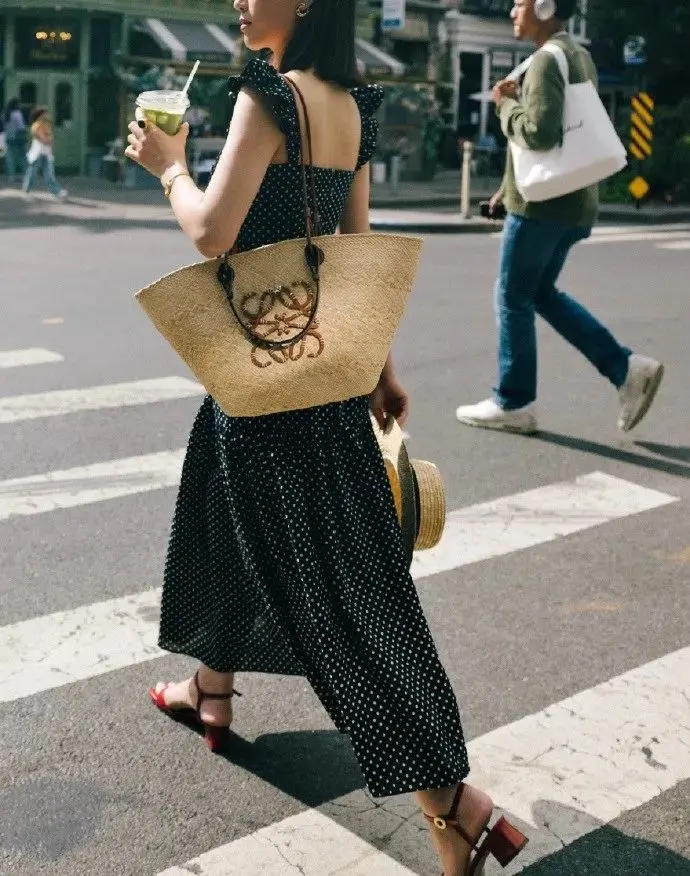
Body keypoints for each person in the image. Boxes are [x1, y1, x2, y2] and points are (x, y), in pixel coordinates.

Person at [125, 0, 528, 872]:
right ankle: (211, 690)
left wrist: (167, 166)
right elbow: (353, 255)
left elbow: (211, 231)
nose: (239, 0)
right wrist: (378, 365)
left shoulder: (268, 97)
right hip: (322, 381)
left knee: (338, 610)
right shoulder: (348, 103)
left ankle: (455, 804)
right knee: (227, 532)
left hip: (264, 386)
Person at [455, 0, 664, 435]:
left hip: (542, 209)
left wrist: (504, 106)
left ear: (546, 7)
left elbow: (541, 133)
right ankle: (627, 369)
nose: (513, 10)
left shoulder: (547, 62)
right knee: (540, 293)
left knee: (511, 296)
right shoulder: (575, 52)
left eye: (520, 3)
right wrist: (506, 188)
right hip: (573, 203)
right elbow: (565, 138)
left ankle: (513, 402)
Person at [22, 107, 68, 200]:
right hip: (38, 153)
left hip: (46, 153)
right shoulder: (37, 125)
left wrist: (50, 141)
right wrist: (49, 139)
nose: (47, 115)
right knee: (32, 173)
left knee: (49, 174)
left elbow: (49, 138)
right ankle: (26, 191)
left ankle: (56, 192)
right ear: (40, 115)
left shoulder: (45, 125)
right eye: (45, 113)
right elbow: (44, 139)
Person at [2, 97, 27, 184]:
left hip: (8, 137)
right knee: (22, 157)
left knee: (10, 158)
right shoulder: (17, 114)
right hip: (18, 137)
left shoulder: (5, 114)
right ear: (16, 104)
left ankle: (11, 177)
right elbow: (21, 127)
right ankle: (26, 175)